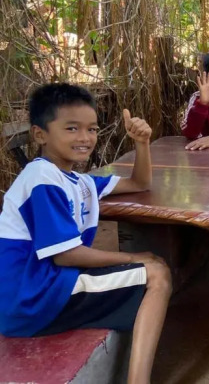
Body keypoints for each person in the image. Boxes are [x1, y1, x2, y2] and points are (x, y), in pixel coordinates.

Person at [0, 84, 172, 384]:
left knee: (152, 264)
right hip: (33, 298)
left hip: (45, 288)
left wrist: (142, 143)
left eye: (91, 129)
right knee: (157, 273)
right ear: (40, 135)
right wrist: (133, 257)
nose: (85, 138)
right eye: (72, 128)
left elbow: (139, 183)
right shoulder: (41, 178)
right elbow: (66, 255)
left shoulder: (79, 181)